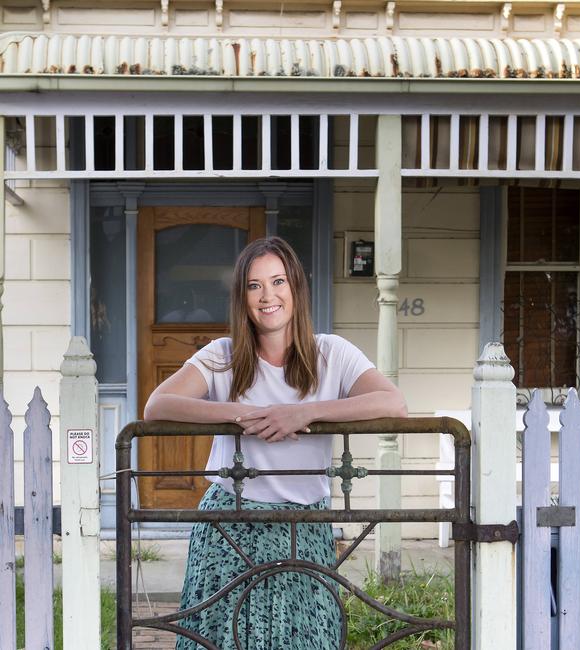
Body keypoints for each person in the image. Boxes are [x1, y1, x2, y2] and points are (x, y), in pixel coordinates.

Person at [143, 236, 407, 650]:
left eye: (278, 281)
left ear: (296, 288)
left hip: (304, 527)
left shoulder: (332, 353)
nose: (268, 296)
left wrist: (306, 412)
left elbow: (393, 403)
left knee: (304, 638)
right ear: (242, 297)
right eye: (254, 285)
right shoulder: (222, 355)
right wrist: (240, 416)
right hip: (230, 524)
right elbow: (157, 405)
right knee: (224, 640)